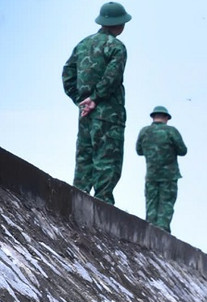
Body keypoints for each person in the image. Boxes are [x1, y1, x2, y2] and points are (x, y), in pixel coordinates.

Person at [61, 2, 131, 205]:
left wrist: (80, 100)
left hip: (85, 113)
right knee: (107, 161)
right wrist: (96, 98)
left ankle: (77, 202)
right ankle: (103, 207)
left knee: (84, 158)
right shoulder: (117, 47)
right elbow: (113, 76)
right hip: (109, 114)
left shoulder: (83, 44)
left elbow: (67, 73)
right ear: (118, 24)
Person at [134, 106, 186, 231]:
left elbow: (139, 151)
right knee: (166, 203)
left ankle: (150, 228)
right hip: (169, 174)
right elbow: (183, 150)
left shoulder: (144, 131)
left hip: (151, 174)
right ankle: (163, 230)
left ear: (153, 117)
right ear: (166, 118)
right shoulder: (171, 131)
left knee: (151, 202)